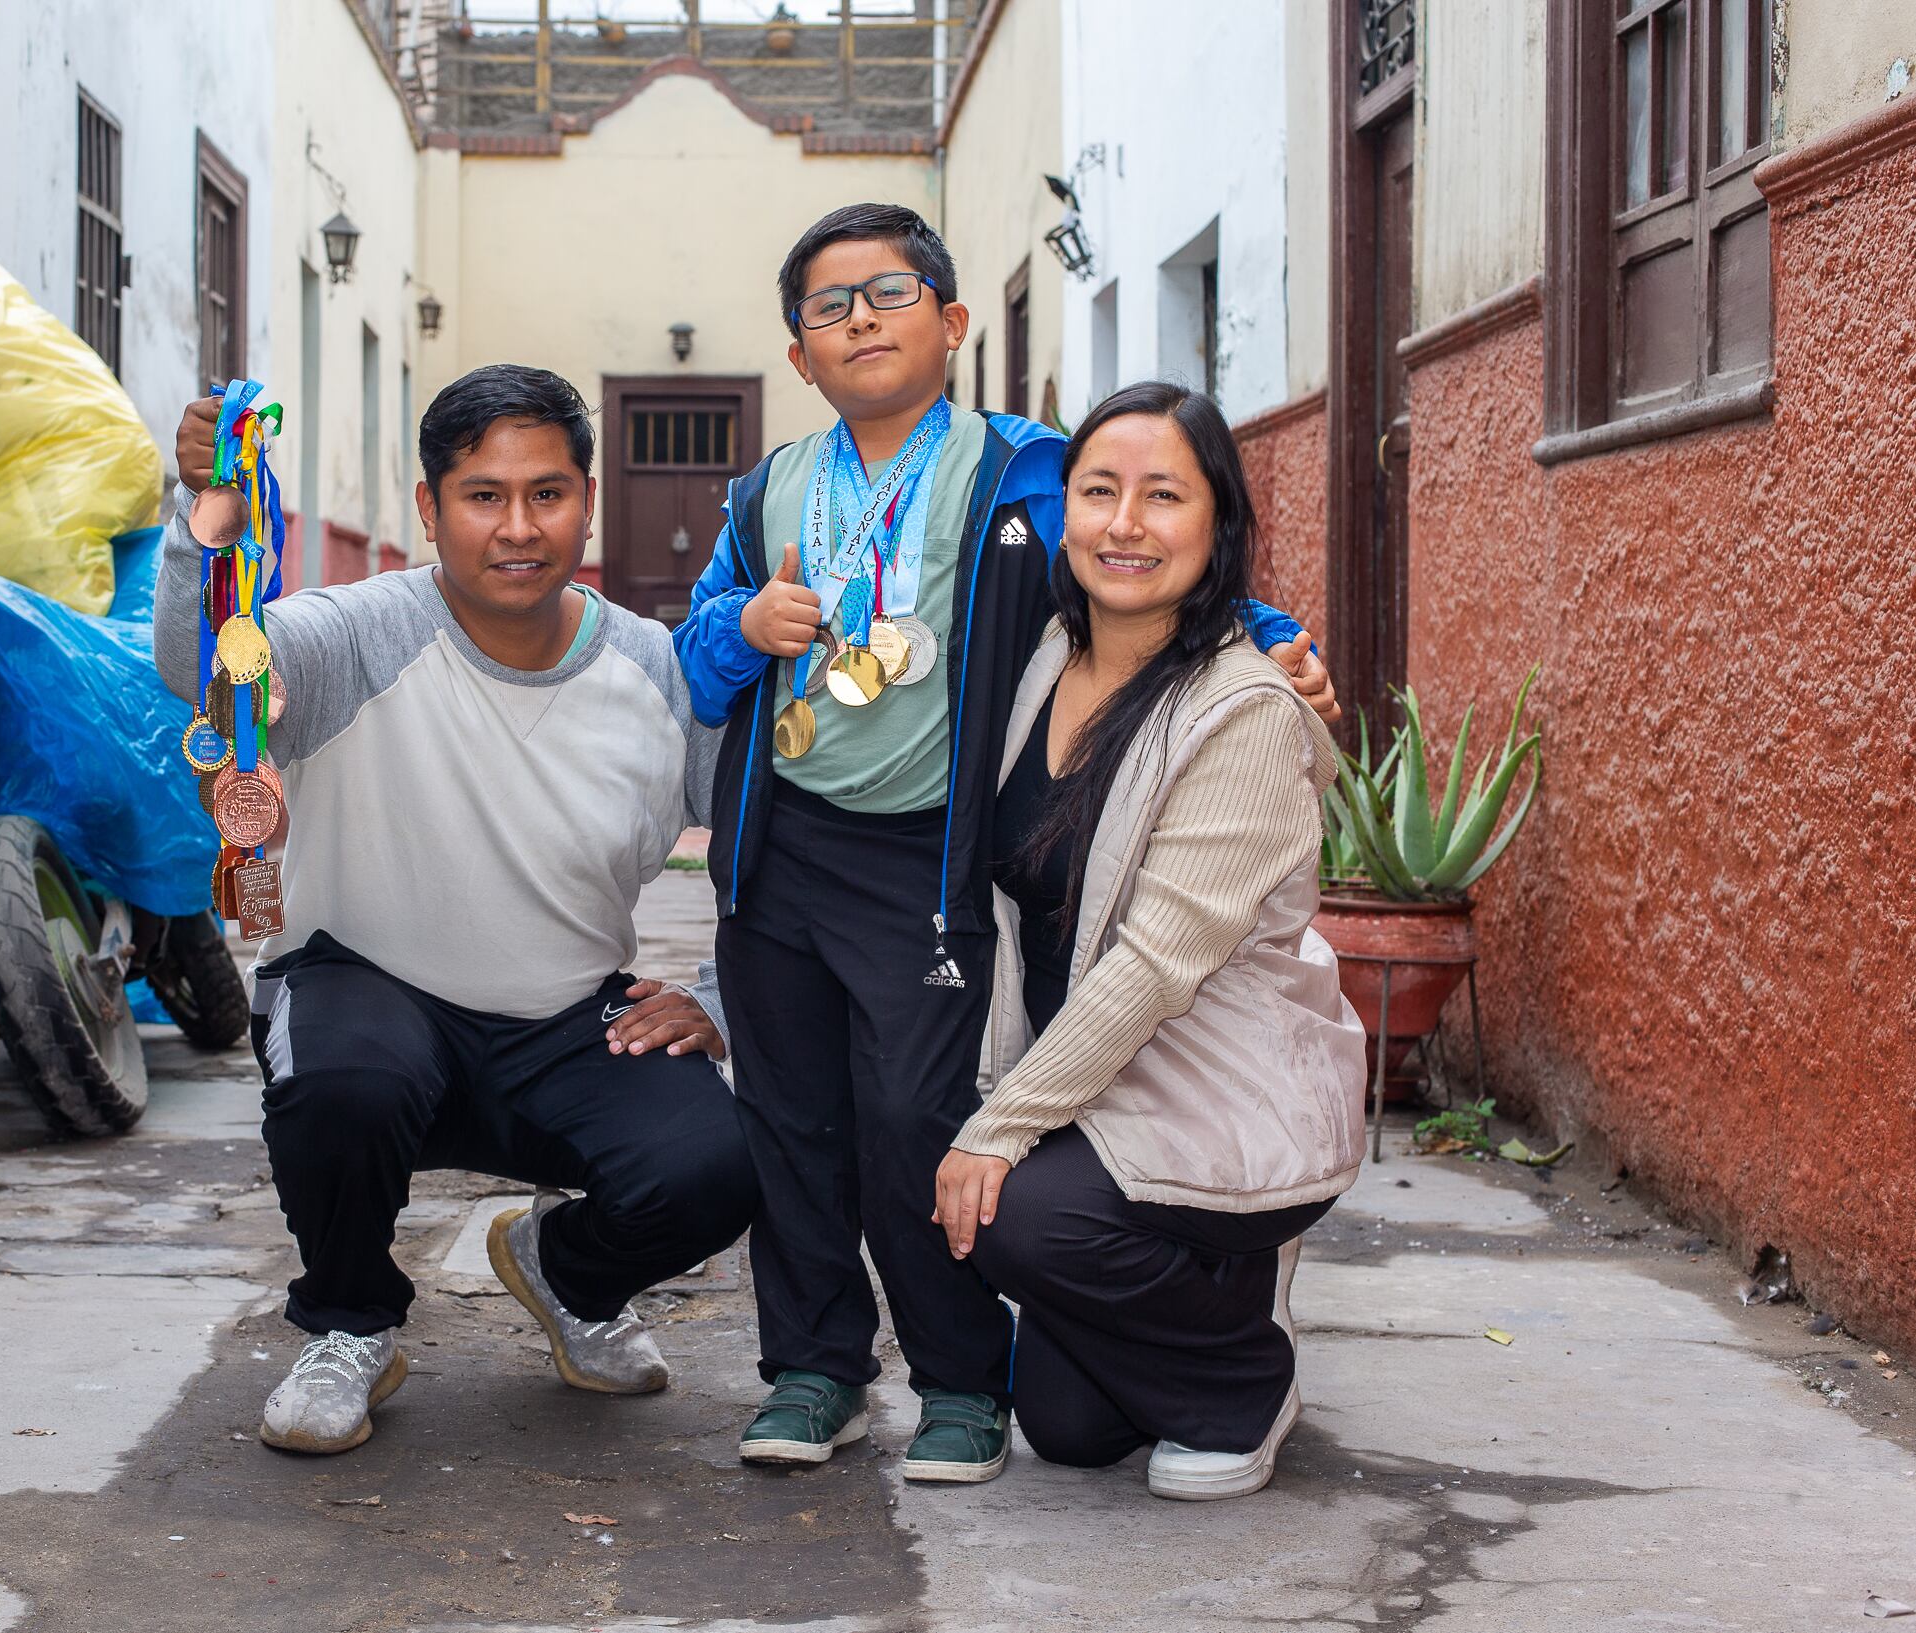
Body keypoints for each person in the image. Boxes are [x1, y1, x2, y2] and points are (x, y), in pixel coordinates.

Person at [672, 203, 1341, 1484]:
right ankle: (813, 1371)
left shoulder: (1032, 471)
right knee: (790, 1122)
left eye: (890, 291)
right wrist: (742, 625)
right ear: (799, 354)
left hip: (927, 859)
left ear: (954, 321)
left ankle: (961, 1378)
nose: (860, 317)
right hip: (781, 853)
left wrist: (1281, 650)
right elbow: (698, 672)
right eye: (828, 305)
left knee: (916, 1117)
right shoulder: (767, 494)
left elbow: (1149, 565)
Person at [154, 364, 757, 1455]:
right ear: (430, 509)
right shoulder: (352, 636)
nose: (517, 528)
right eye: (483, 495)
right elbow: (206, 666)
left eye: (547, 494)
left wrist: (720, 995)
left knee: (723, 1160)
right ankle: (350, 1323)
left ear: (587, 502)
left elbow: (767, 857)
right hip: (366, 999)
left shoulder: (657, 674)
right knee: (345, 1077)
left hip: (570, 1022)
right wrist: (206, 516)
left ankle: (565, 1272)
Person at [934, 381, 1367, 1501]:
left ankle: (1243, 1379)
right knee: (1069, 1428)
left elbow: (1156, 965)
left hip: (1220, 1088)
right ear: (1062, 512)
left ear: (1218, 524)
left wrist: (999, 1127)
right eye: (1098, 491)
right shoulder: (1039, 661)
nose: (1124, 524)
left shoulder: (1242, 711)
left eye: (1162, 495)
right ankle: (1212, 1279)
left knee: (1011, 1218)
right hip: (1101, 1086)